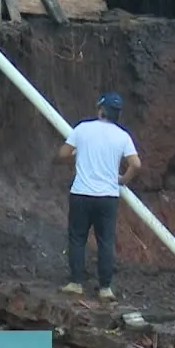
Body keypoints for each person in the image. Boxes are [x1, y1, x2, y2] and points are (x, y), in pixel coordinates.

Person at [55, 91, 141, 301]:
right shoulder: (122, 136)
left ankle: (76, 283)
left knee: (77, 239)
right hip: (108, 197)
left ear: (101, 110)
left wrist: (79, 152)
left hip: (81, 194)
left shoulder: (83, 128)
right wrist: (122, 180)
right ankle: (105, 288)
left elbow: (63, 154)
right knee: (105, 241)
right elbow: (136, 164)